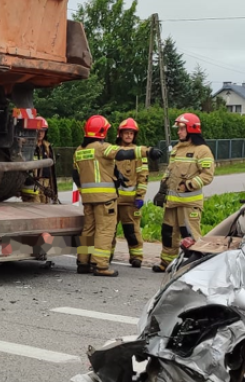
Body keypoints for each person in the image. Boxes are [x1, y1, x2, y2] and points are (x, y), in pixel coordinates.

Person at [73, 115, 146, 278]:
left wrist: (84, 190)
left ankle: (83, 262)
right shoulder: (102, 147)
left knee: (88, 230)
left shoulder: (79, 150)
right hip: (105, 199)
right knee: (105, 231)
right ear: (102, 131)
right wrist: (147, 151)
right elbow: (122, 153)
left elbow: (75, 174)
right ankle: (100, 264)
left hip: (88, 199)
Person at [153, 112, 215, 274]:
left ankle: (192, 265)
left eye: (181, 128)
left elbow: (207, 175)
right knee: (168, 232)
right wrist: (162, 189)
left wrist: (188, 185)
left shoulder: (202, 151)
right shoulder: (177, 149)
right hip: (172, 202)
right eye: (178, 129)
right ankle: (166, 262)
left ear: (191, 129)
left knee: (189, 235)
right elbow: (169, 171)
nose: (178, 132)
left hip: (189, 204)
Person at [112, 118, 149, 268]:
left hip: (130, 202)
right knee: (109, 230)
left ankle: (136, 257)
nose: (128, 135)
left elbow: (143, 176)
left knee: (132, 231)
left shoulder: (139, 153)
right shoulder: (112, 152)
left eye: (131, 133)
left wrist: (140, 196)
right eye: (126, 133)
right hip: (113, 200)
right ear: (120, 134)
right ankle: (106, 255)